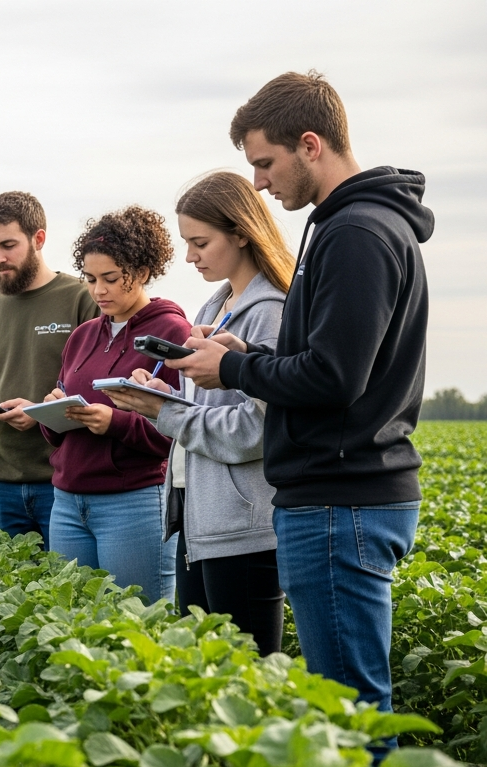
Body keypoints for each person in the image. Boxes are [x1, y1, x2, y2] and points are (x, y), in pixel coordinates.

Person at [169, 71, 432, 722]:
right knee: (340, 709)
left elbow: (334, 379)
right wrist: (248, 357)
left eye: (265, 162)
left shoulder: (357, 233)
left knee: (350, 715)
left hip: (339, 500)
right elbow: (327, 364)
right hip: (334, 498)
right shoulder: (346, 226)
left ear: (310, 145)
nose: (259, 181)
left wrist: (233, 375)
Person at [104, 171, 294, 655]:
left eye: (200, 242)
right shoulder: (217, 303)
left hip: (244, 527)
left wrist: (163, 414)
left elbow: (255, 429)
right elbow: (209, 407)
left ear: (241, 233)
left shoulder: (270, 310)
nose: (189, 256)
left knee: (246, 674)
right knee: (203, 671)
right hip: (201, 517)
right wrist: (158, 400)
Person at [38, 206, 190, 603]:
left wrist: (114, 423)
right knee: (74, 623)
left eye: (110, 279)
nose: (98, 291)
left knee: (138, 622)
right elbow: (56, 437)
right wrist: (53, 413)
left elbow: (181, 430)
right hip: (68, 503)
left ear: (141, 273)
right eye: (90, 279)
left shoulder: (172, 331)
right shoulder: (84, 335)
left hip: (133, 503)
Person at [0, 192, 99, 546]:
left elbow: (101, 390)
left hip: (62, 479)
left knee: (67, 592)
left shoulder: (83, 299)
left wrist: (40, 413)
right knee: (8, 591)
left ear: (39, 239)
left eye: (8, 245)